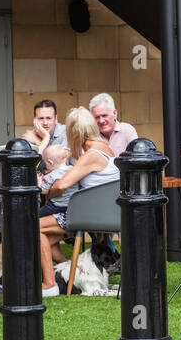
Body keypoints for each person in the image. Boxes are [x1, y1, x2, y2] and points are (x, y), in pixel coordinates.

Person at [37, 107, 121, 296]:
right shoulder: (104, 148)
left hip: (92, 216)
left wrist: (49, 194)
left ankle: (50, 284)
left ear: (73, 133)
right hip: (106, 212)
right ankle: (67, 271)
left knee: (34, 227)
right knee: (45, 239)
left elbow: (62, 185)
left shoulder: (90, 155)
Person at [89, 92, 138, 156]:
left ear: (114, 113)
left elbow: (137, 158)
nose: (101, 121)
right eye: (97, 117)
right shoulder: (91, 136)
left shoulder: (127, 131)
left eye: (104, 115)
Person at [37, 143, 74, 219]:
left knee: (36, 215)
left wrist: (39, 182)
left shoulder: (51, 176)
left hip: (57, 206)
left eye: (45, 162)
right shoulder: (72, 170)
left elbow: (44, 191)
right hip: (71, 206)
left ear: (50, 162)